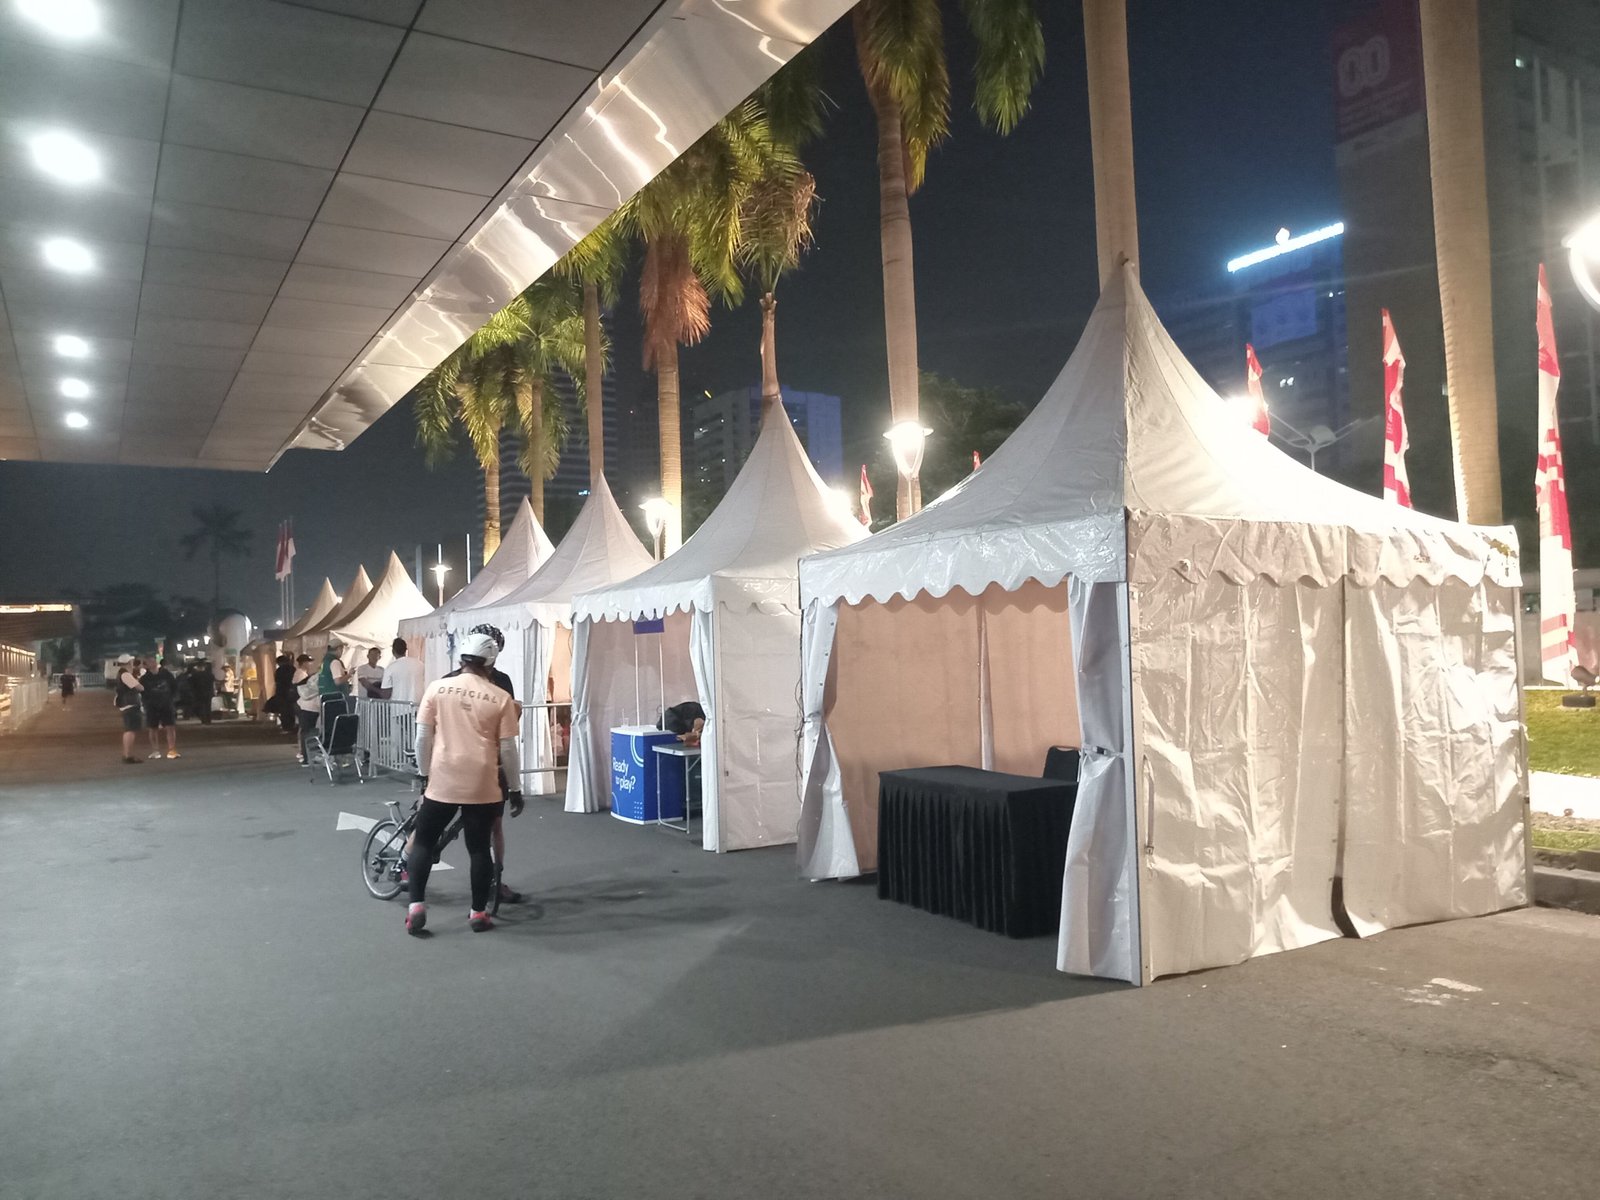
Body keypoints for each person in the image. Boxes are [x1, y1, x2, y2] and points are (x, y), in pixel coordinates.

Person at [404, 631, 524, 935]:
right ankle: (477, 913)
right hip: (482, 782)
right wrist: (515, 788)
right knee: (479, 849)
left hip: (443, 778)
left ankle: (416, 905)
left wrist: (423, 773)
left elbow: (422, 738)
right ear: (491, 662)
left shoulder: (438, 688)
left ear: (461, 658)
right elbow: (508, 749)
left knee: (424, 841)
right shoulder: (501, 697)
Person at [141, 656, 181, 759]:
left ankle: (172, 749)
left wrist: (172, 699)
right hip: (151, 706)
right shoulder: (144, 678)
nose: (152, 663)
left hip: (166, 704)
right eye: (149, 662)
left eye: (153, 661)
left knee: (170, 727)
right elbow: (142, 692)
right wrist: (146, 703)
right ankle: (155, 750)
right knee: (152, 728)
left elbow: (174, 686)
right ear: (146, 665)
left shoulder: (166, 674)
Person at [113, 654, 145, 764]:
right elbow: (140, 687)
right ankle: (128, 755)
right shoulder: (125, 674)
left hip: (126, 704)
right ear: (128, 662)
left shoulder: (122, 673)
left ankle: (127, 754)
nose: (133, 663)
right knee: (130, 730)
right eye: (131, 661)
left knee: (129, 730)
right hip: (130, 704)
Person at [373, 637, 424, 703]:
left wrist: (372, 688)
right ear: (406, 650)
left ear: (393, 651)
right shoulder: (419, 664)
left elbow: (386, 695)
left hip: (399, 708)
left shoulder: (390, 668)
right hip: (418, 706)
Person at [291, 653, 320, 765]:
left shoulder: (302, 673)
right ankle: (305, 754)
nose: (310, 664)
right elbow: (304, 690)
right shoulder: (301, 674)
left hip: (303, 704)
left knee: (304, 730)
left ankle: (304, 753)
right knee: (306, 731)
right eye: (309, 662)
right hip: (304, 705)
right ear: (304, 663)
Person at [271, 653, 297, 734]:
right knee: (291, 710)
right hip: (291, 692)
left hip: (281, 693)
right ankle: (291, 726)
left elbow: (277, 681)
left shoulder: (279, 671)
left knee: (284, 711)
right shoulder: (293, 669)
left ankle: (286, 727)